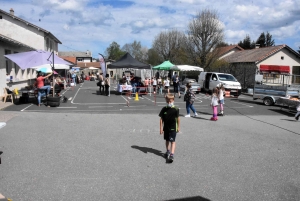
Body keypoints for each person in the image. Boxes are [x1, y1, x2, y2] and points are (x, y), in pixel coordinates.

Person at [159, 93, 180, 163]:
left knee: (172, 141)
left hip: (173, 128)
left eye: (170, 101)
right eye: (167, 101)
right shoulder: (164, 109)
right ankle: (168, 151)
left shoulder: (176, 109)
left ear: (173, 100)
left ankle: (172, 154)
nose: (169, 103)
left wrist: (179, 127)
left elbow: (178, 119)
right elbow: (161, 119)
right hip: (166, 128)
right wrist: (161, 128)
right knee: (167, 140)